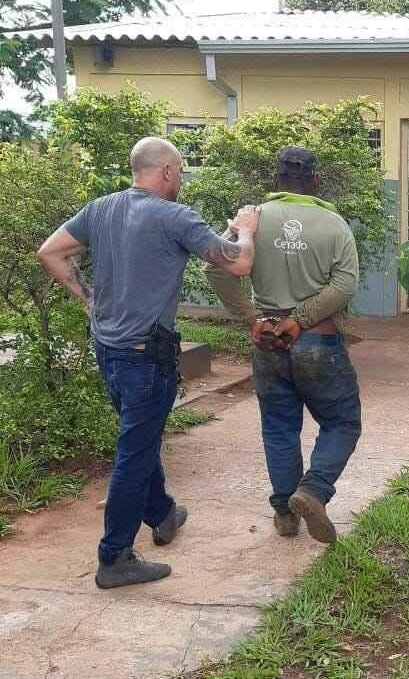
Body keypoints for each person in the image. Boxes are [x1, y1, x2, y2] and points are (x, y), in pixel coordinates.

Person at [38, 137, 259, 589]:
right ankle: (114, 557)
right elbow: (238, 264)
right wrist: (246, 228)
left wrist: (88, 301)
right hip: (145, 358)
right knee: (134, 453)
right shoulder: (174, 215)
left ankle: (161, 513)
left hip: (109, 349)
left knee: (140, 437)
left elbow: (51, 252)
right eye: (179, 171)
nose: (180, 179)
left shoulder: (100, 208)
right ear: (166, 173)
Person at [205, 146, 361, 544]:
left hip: (268, 342)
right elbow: (344, 284)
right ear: (315, 181)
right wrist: (302, 319)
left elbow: (216, 268)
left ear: (276, 180)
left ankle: (284, 514)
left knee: (279, 428)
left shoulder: (252, 220)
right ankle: (313, 491)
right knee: (342, 422)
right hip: (318, 341)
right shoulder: (333, 224)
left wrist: (251, 319)